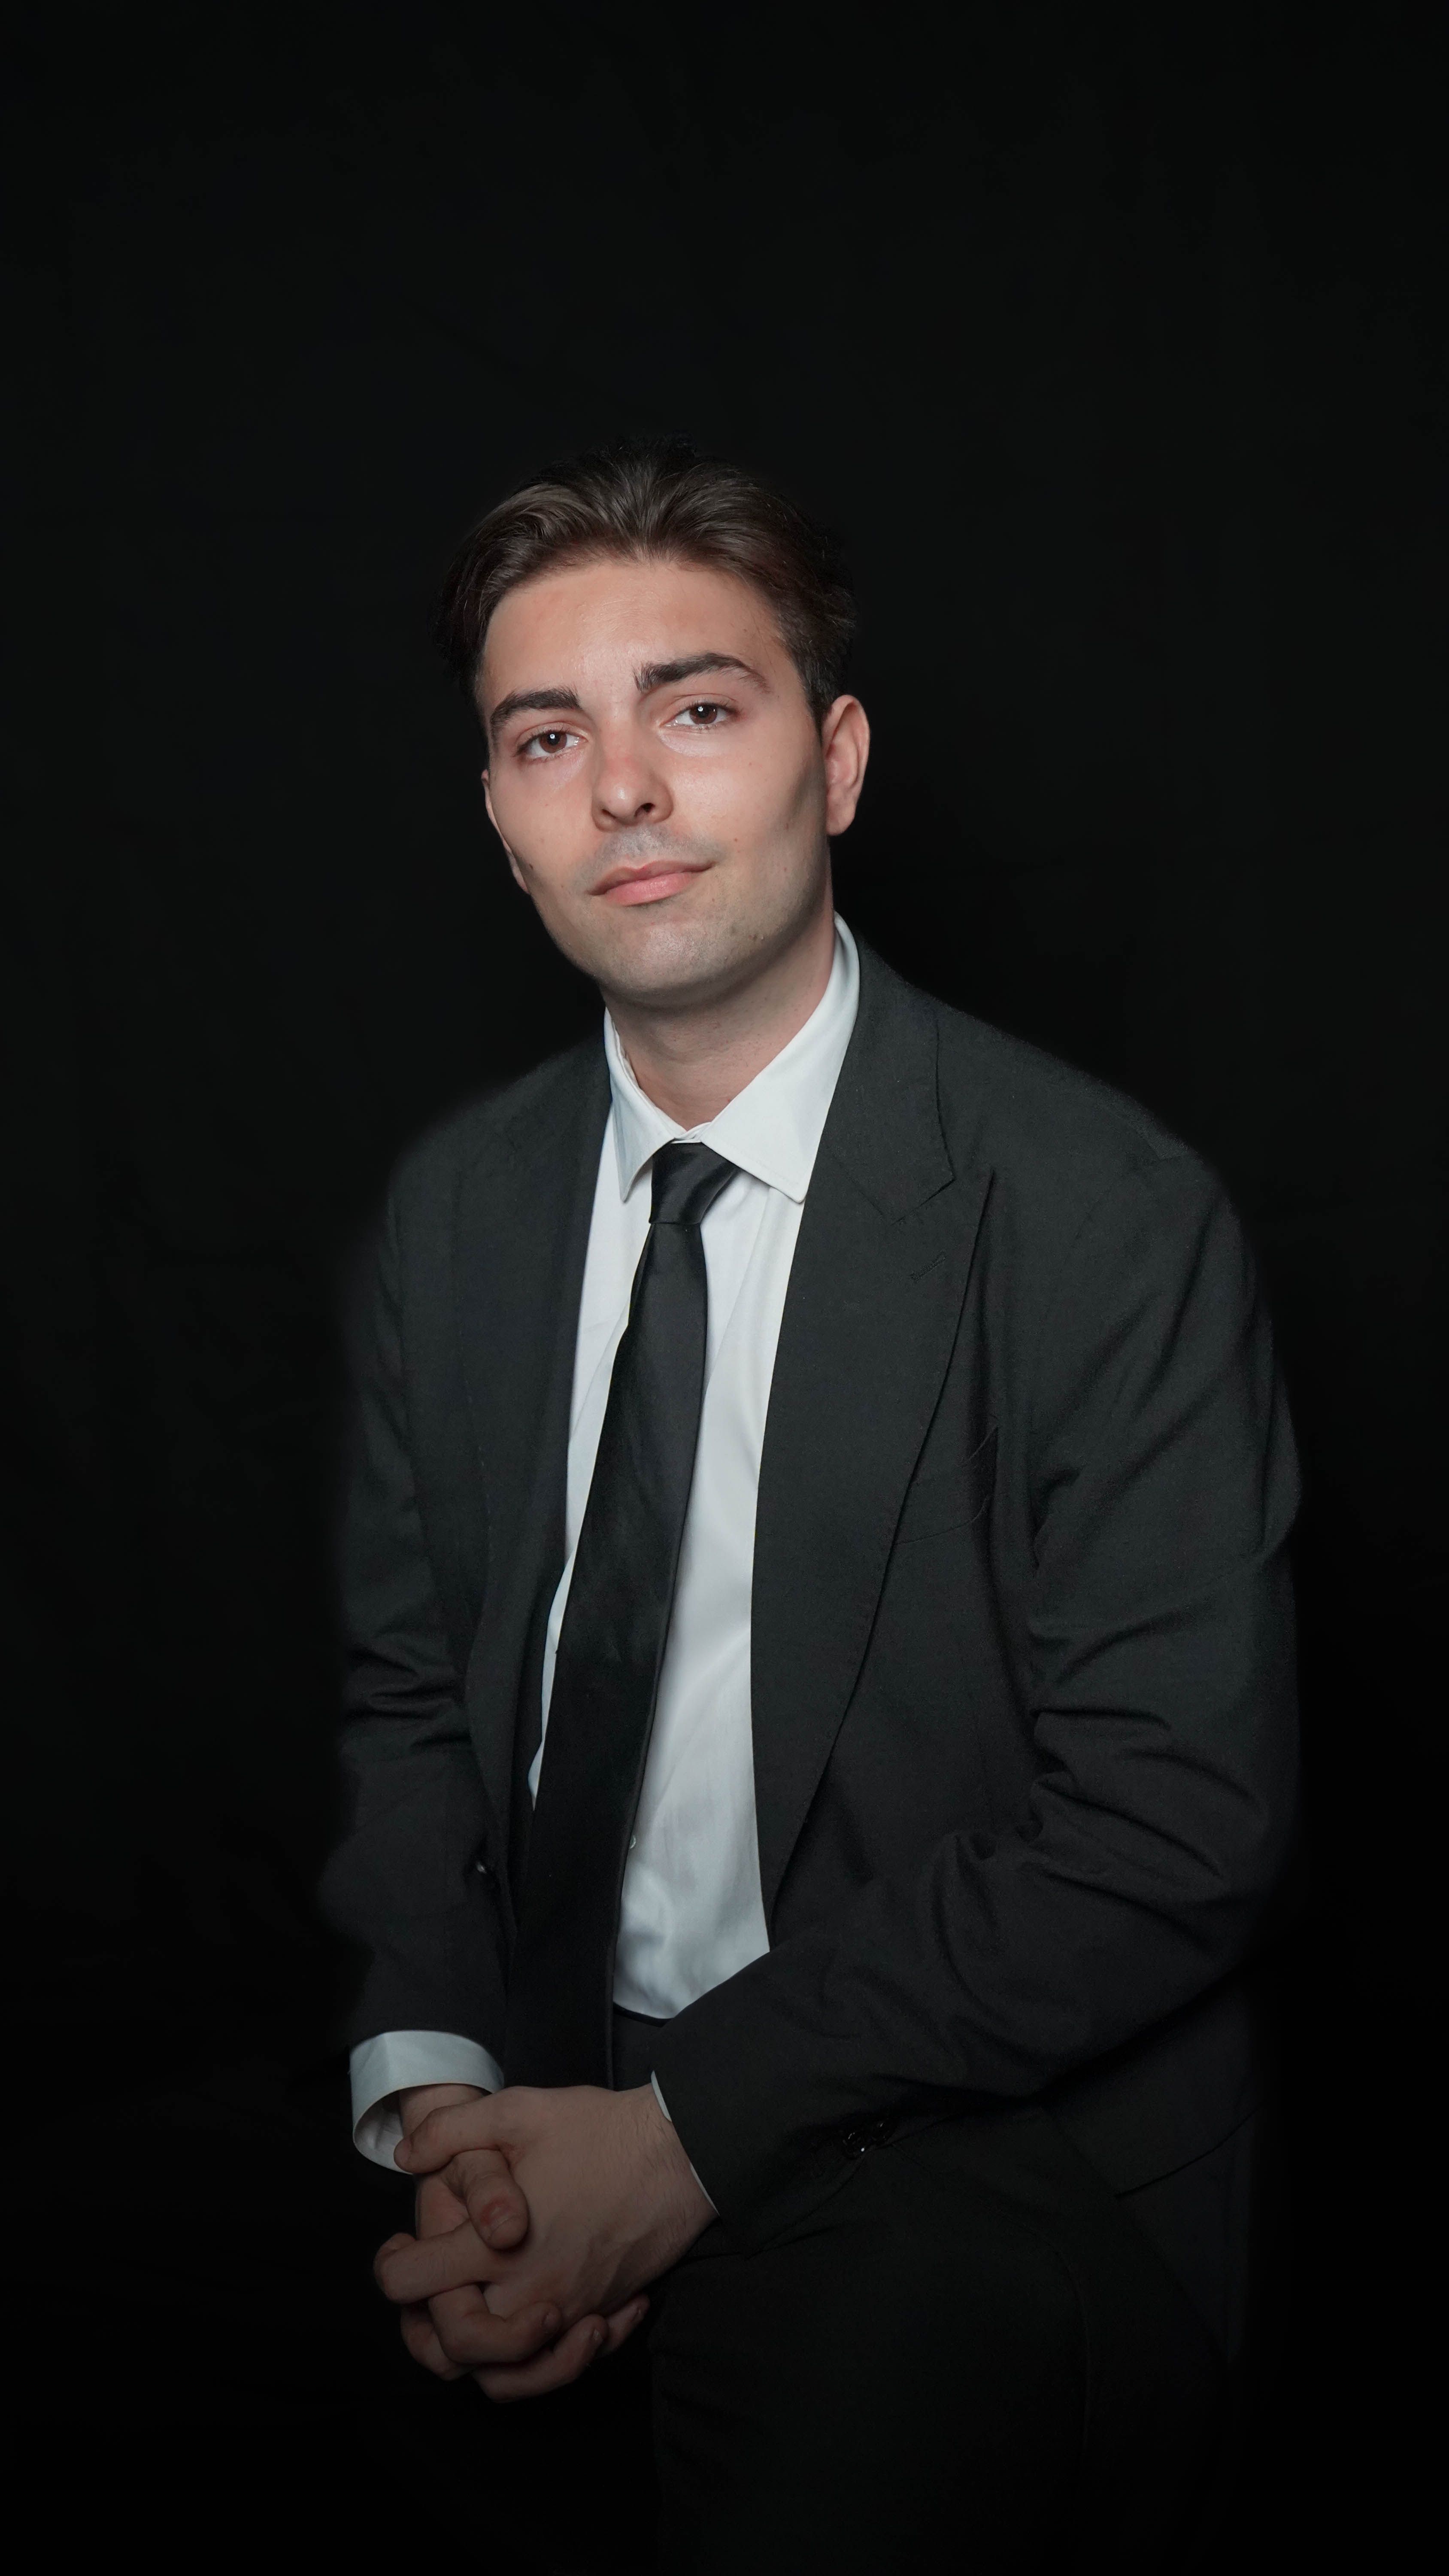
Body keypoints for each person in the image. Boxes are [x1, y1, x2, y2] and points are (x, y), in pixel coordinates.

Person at [321, 439, 1299, 2570]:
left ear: (834, 763)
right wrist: (451, 2111)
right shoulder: (457, 1211)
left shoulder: (1100, 1218)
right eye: (547, 738)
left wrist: (680, 2139)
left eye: (696, 707)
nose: (624, 790)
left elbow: (1172, 1828)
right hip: (547, 2063)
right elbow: (407, 1705)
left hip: (975, 2121)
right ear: (499, 818)